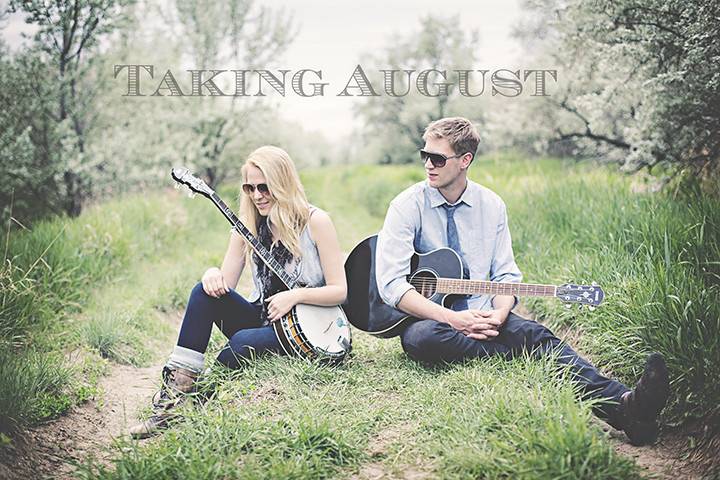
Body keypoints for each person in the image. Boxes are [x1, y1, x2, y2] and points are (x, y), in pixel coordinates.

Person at [375, 117, 670, 446]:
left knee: (535, 333)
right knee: (420, 339)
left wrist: (499, 315)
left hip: (484, 314)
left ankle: (629, 407)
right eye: (425, 155)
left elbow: (505, 276)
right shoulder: (406, 206)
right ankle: (518, 356)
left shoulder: (492, 206)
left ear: (465, 161)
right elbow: (392, 285)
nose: (429, 165)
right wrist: (453, 318)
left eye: (438, 158)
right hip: (433, 321)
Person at [130, 146, 347, 438]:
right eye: (250, 188)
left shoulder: (316, 221)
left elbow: (339, 290)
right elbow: (225, 286)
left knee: (242, 341)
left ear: (282, 183)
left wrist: (295, 295)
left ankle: (196, 401)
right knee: (202, 292)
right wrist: (211, 275)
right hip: (264, 316)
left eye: (264, 187)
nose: (257, 195)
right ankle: (172, 401)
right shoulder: (246, 227)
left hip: (308, 330)